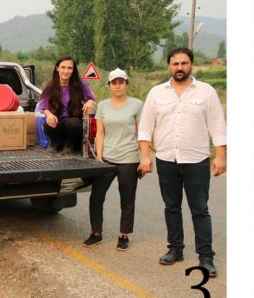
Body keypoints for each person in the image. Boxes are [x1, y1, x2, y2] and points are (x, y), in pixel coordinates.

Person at [138, 48, 227, 278]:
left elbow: (218, 125)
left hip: (196, 160)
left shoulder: (206, 92)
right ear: (169, 65)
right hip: (166, 159)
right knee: (171, 207)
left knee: (200, 209)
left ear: (191, 64)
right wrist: (145, 156)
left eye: (184, 63)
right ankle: (175, 249)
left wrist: (220, 155)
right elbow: (145, 127)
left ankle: (206, 257)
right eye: (175, 63)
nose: (179, 67)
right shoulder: (157, 93)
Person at [85, 68, 144, 250]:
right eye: (114, 83)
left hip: (129, 157)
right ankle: (96, 233)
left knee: (127, 198)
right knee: (96, 196)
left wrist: (144, 158)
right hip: (107, 158)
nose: (118, 86)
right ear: (109, 85)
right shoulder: (102, 106)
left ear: (126, 84)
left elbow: (141, 133)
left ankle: (124, 235)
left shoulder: (137, 104)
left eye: (121, 82)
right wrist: (99, 157)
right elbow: (100, 133)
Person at [38, 56, 96, 154]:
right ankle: (54, 143)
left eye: (69, 68)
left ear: (73, 70)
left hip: (73, 123)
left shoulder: (79, 84)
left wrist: (90, 102)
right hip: (57, 122)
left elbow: (91, 98)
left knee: (73, 123)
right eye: (63, 67)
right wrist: (49, 115)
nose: (66, 71)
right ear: (57, 68)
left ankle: (70, 145)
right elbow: (44, 106)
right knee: (48, 123)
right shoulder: (50, 86)